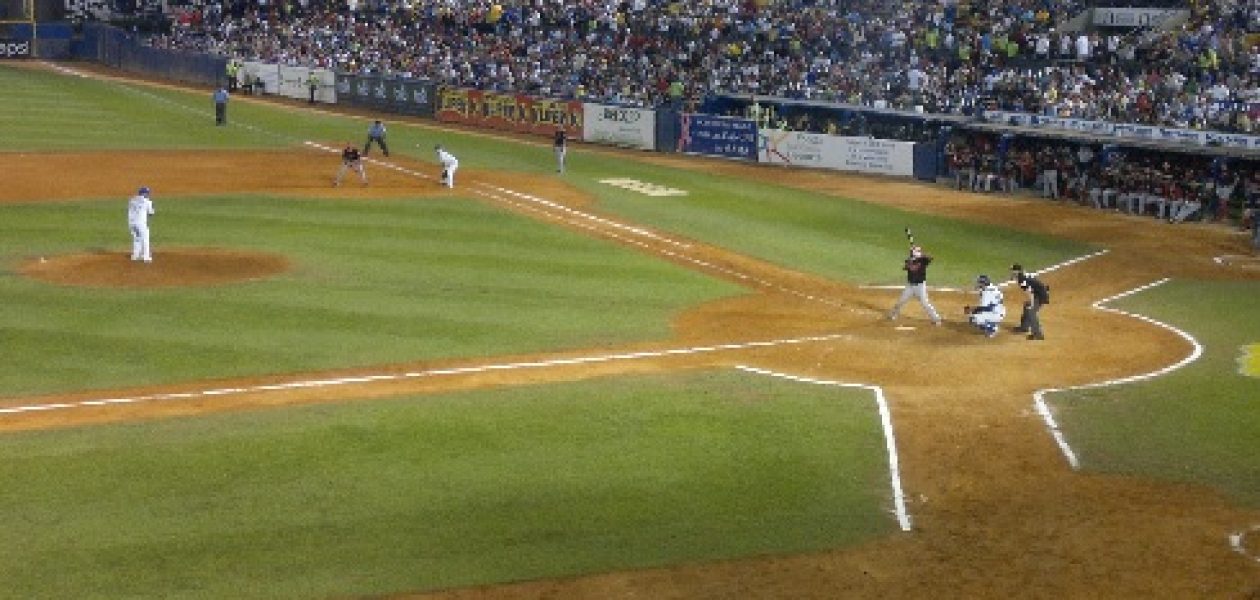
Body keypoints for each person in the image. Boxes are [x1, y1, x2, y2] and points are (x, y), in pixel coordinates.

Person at [887, 245, 942, 326]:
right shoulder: (909, 260)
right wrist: (912, 260)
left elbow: (931, 258)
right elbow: (906, 267)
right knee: (901, 301)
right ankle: (893, 314)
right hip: (910, 286)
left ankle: (936, 319)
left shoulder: (923, 260)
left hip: (920, 287)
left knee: (925, 303)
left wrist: (921, 256)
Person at [1010, 264, 1049, 340]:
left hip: (1040, 296)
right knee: (1026, 305)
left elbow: (1029, 292)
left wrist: (1032, 303)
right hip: (1040, 292)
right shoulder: (1023, 275)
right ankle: (1024, 327)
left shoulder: (1022, 280)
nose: (1011, 272)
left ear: (1017, 271)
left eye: (1013, 270)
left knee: (1031, 311)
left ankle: (1038, 334)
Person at [128, 186, 155, 263]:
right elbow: (151, 213)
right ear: (145, 194)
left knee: (136, 238)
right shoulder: (147, 201)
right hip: (140, 223)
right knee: (145, 238)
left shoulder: (132, 200)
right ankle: (146, 257)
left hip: (131, 222)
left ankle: (135, 256)